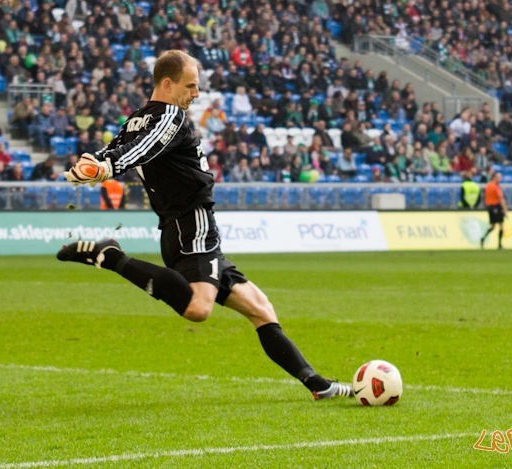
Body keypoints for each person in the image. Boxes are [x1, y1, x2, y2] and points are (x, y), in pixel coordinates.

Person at [57, 50, 352, 400]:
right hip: (190, 223)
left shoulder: (138, 118)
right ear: (168, 84)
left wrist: (95, 162)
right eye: (191, 86)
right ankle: (112, 257)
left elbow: (121, 146)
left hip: (184, 226)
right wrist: (106, 168)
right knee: (199, 308)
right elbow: (140, 149)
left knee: (260, 308)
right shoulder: (169, 114)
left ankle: (318, 385)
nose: (196, 94)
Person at [480, 171, 508, 249]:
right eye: (498, 177)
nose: (500, 179)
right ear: (494, 177)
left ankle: (483, 238)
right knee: (501, 225)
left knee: (492, 226)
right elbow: (501, 199)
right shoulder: (496, 187)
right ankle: (499, 244)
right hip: (496, 206)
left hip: (489, 207)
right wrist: (505, 210)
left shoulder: (488, 185)